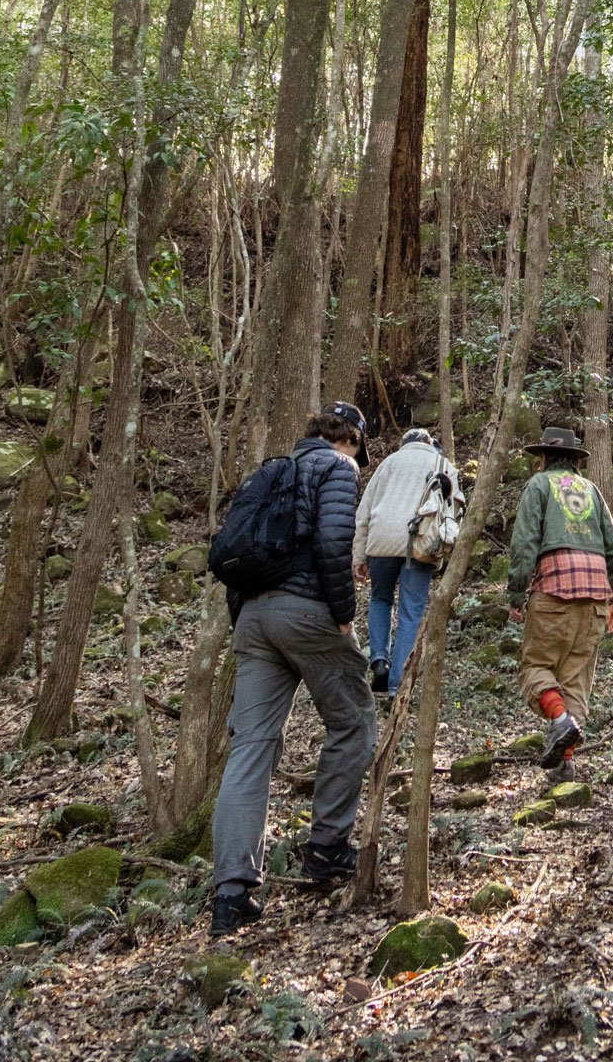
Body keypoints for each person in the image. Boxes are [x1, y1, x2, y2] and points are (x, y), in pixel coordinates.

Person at [209, 401, 378, 936]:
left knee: (251, 748)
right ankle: (327, 849)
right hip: (307, 612)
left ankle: (231, 895)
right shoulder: (338, 467)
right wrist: (343, 614)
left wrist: (248, 620)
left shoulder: (273, 470)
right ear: (351, 439)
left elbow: (239, 551)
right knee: (354, 722)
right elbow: (333, 543)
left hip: (253, 619)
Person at [507, 424, 613, 772]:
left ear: (544, 457)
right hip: (595, 598)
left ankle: (560, 720)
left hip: (553, 591)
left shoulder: (538, 485)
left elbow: (524, 543)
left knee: (536, 668)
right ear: (574, 460)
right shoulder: (591, 490)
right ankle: (566, 765)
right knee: (575, 680)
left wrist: (516, 593)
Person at [353, 423, 464, 696]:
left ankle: (380, 660)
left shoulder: (388, 463)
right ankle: (397, 685)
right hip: (421, 544)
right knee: (411, 612)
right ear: (429, 444)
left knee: (380, 599)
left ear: (404, 444)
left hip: (381, 541)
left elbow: (363, 512)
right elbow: (455, 511)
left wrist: (358, 556)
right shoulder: (442, 464)